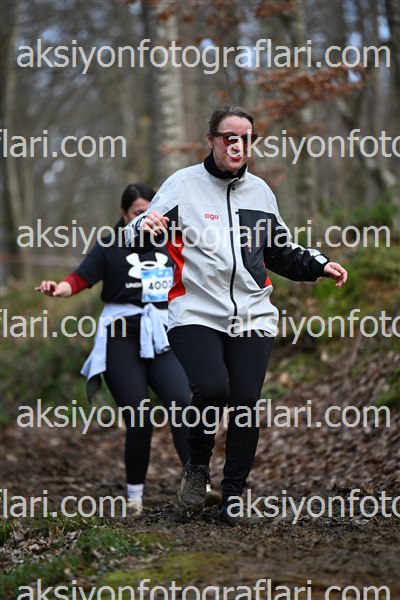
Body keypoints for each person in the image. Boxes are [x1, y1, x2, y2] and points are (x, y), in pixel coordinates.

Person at [124, 105, 348, 525]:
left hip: (252, 313)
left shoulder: (260, 193)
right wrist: (144, 227)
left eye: (245, 138)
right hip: (194, 309)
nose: (237, 145)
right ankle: (197, 467)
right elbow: (137, 232)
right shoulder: (183, 185)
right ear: (211, 140)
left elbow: (279, 250)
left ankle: (233, 496)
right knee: (212, 389)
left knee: (245, 402)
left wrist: (319, 264)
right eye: (229, 137)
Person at [35, 183, 192, 516]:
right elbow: (81, 278)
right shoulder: (110, 244)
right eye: (138, 213)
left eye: (151, 212)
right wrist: (59, 289)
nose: (146, 218)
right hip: (121, 335)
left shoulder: (170, 240)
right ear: (123, 214)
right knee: (139, 417)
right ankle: (134, 498)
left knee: (183, 402)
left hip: (161, 332)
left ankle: (196, 485)